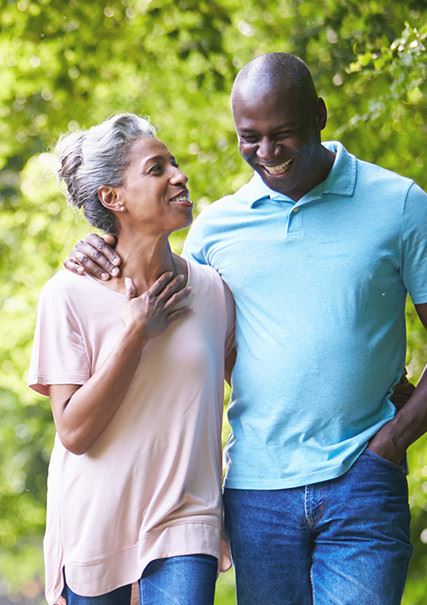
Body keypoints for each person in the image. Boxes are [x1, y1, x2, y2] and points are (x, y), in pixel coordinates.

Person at [64, 53, 427, 605]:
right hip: (257, 492)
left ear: (320, 115)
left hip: (364, 477)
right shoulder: (214, 230)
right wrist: (97, 241)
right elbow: (171, 322)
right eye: (249, 138)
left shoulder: (399, 205)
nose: (267, 153)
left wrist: (394, 440)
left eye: (283, 134)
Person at [28, 113, 234, 605]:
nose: (179, 176)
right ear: (113, 198)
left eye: (175, 164)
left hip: (186, 519)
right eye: (157, 168)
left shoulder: (211, 290)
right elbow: (74, 431)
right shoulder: (67, 295)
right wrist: (136, 333)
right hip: (94, 526)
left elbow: (258, 379)